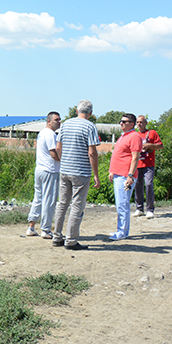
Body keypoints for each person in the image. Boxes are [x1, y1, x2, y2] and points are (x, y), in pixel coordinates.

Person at [52, 100, 101, 250]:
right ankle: (71, 239)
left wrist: (64, 161)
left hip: (65, 170)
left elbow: (58, 147)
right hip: (81, 171)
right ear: (90, 113)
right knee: (77, 205)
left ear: (76, 110)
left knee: (62, 203)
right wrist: (96, 175)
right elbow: (92, 153)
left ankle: (57, 236)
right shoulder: (90, 127)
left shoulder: (66, 124)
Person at [26, 111, 61, 239]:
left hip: (40, 169)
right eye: (56, 120)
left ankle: (31, 226)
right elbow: (53, 153)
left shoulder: (42, 133)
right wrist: (63, 160)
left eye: (59, 119)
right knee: (49, 200)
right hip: (49, 170)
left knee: (38, 198)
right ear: (49, 121)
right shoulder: (51, 134)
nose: (59, 122)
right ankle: (46, 229)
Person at [108, 114, 143, 241]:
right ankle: (121, 229)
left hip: (125, 176)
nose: (121, 123)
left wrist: (130, 175)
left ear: (132, 123)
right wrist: (112, 171)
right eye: (120, 121)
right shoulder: (123, 136)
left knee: (122, 204)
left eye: (124, 121)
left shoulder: (134, 137)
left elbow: (135, 157)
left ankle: (122, 231)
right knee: (120, 204)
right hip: (118, 174)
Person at [133, 115, 163, 219]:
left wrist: (150, 145)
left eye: (141, 122)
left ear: (145, 123)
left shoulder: (152, 133)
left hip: (149, 164)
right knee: (137, 186)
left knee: (149, 184)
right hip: (137, 164)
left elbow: (160, 145)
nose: (139, 124)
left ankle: (150, 209)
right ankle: (139, 208)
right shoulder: (134, 134)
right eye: (137, 122)